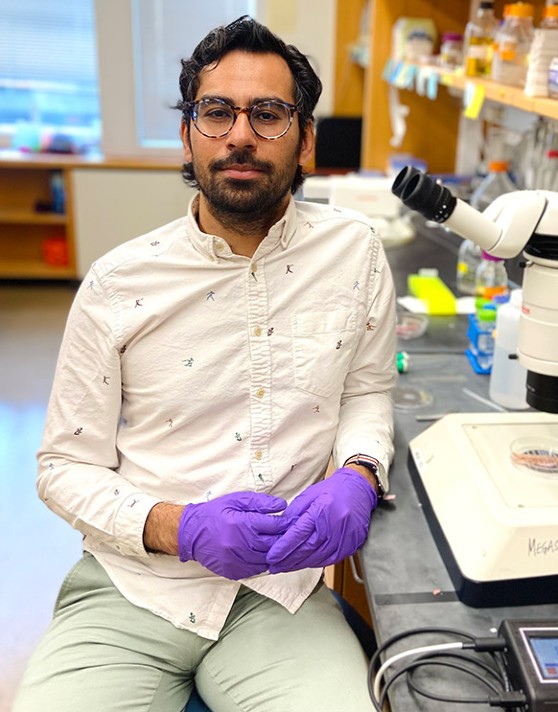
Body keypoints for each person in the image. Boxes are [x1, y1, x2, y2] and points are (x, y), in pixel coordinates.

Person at [14, 16, 396, 712]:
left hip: (280, 595)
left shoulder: (355, 253)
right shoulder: (117, 282)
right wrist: (177, 526)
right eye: (216, 112)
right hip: (133, 588)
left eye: (269, 114)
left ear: (306, 139)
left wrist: (359, 473)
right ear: (189, 135)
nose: (241, 135)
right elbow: (63, 467)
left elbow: (367, 389)